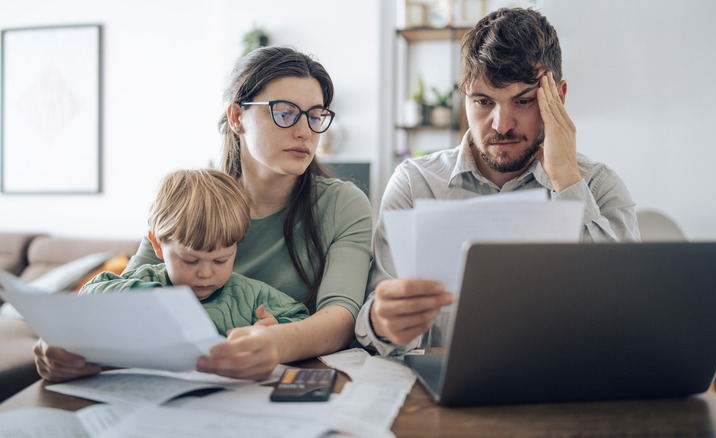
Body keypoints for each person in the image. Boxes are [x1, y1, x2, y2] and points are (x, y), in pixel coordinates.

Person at [34, 46, 373, 382]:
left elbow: (343, 317)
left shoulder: (343, 204)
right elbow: (128, 298)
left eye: (315, 116)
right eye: (285, 112)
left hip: (283, 383)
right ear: (237, 117)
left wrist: (276, 342)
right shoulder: (192, 200)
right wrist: (64, 344)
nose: (304, 132)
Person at [356, 7, 640, 356]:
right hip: (442, 398)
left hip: (562, 395)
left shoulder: (600, 185)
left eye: (523, 101)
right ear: (464, 100)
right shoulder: (416, 183)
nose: (501, 124)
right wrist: (384, 325)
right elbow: (377, 326)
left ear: (558, 98)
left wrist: (567, 179)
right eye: (483, 101)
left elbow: (621, 318)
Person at [79, 168, 310, 336]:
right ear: (158, 245)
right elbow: (88, 296)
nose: (206, 273)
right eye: (191, 260)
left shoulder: (250, 296)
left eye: (220, 260)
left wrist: (275, 331)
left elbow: (301, 319)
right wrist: (147, 295)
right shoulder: (147, 280)